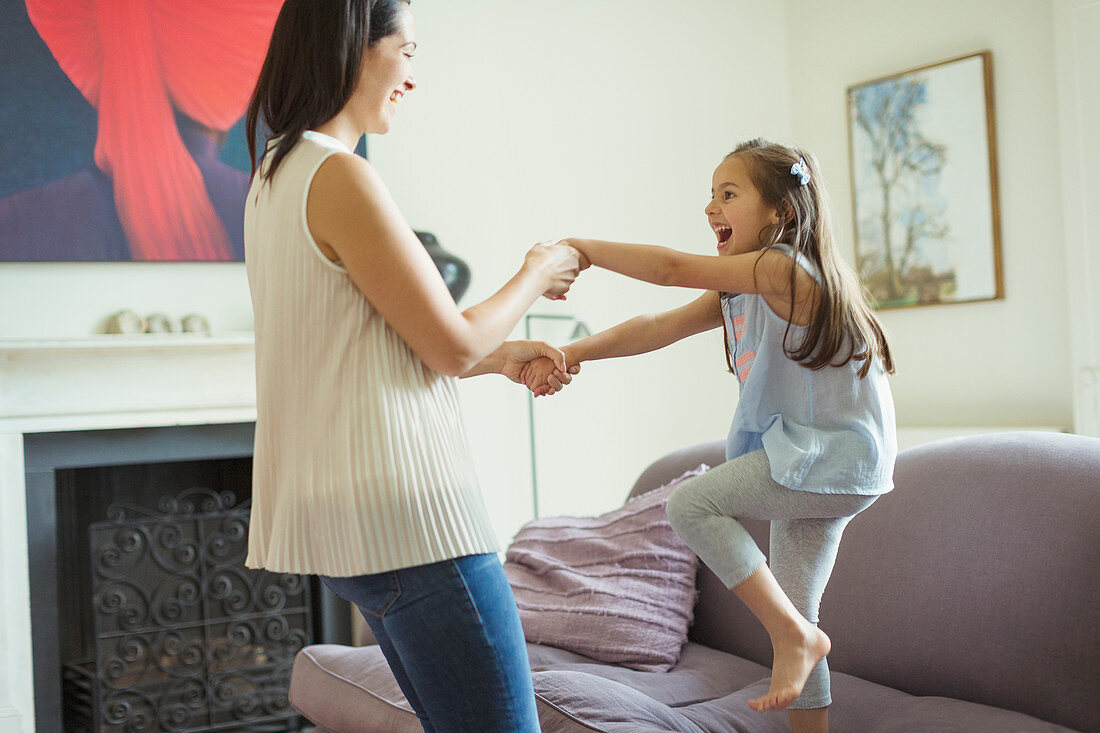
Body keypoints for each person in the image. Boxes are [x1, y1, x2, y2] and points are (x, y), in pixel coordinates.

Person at [241, 1, 584, 731]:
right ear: (354, 50)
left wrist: (499, 358)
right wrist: (537, 269)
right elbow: (449, 344)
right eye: (409, 51)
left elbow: (358, 342)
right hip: (416, 526)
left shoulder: (275, 177)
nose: (414, 77)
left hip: (352, 525)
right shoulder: (341, 177)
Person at [522, 139, 897, 733]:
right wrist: (572, 353)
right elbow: (655, 327)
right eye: (710, 195)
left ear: (781, 213)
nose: (710, 208)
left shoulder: (783, 270)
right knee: (797, 616)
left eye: (729, 194)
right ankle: (799, 650)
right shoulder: (739, 289)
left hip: (825, 458)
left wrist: (584, 249)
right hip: (829, 465)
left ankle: (794, 637)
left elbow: (669, 269)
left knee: (692, 504)